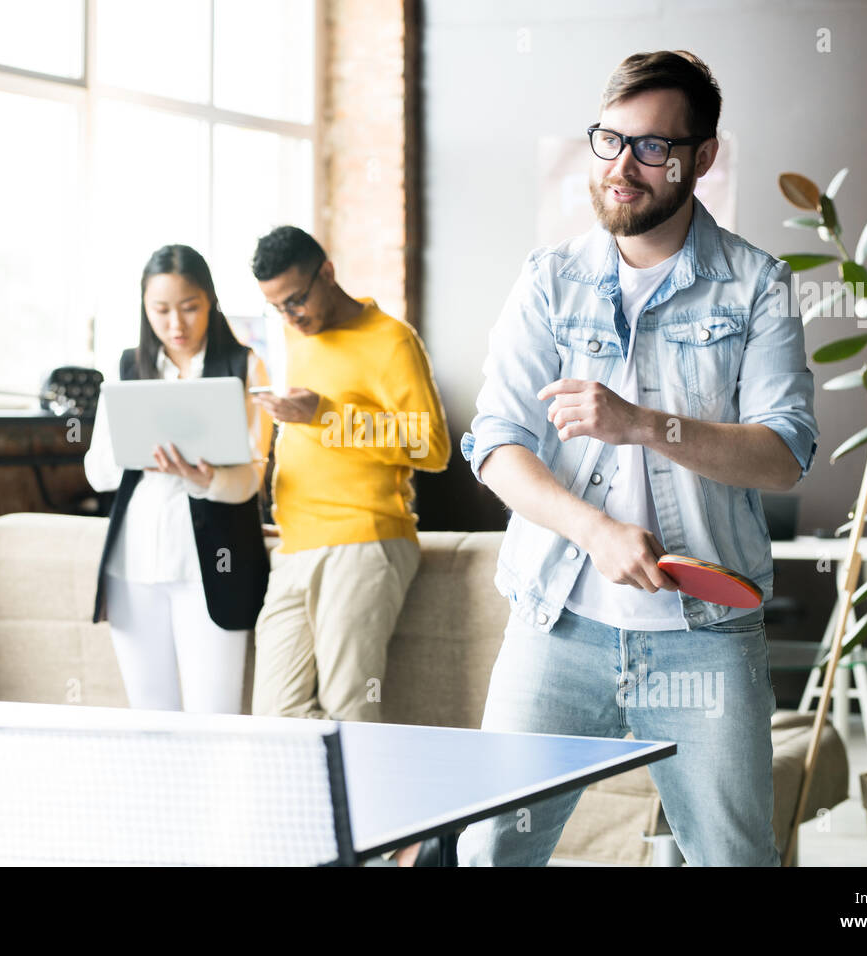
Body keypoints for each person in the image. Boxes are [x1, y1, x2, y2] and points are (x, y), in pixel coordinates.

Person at [455, 50, 819, 866]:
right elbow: (496, 445)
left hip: (707, 638)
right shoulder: (547, 281)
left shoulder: (758, 286)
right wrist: (594, 532)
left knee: (735, 859)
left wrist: (645, 425)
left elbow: (783, 456)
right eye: (610, 140)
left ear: (702, 158)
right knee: (488, 855)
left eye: (653, 147)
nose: (623, 167)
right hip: (557, 625)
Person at [248, 226, 449, 722]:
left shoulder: (391, 340)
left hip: (364, 539)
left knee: (350, 708)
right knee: (275, 714)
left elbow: (434, 447)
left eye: (295, 300)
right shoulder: (299, 337)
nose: (291, 316)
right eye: (277, 308)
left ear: (328, 273)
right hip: (297, 544)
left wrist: (324, 415)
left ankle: (369, 797)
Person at [84, 245, 272, 713]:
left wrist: (203, 478)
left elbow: (252, 477)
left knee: (216, 715)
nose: (176, 325)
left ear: (210, 300)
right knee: (150, 716)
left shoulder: (244, 366)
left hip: (213, 565)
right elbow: (97, 471)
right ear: (144, 309)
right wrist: (137, 457)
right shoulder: (129, 367)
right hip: (134, 564)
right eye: (161, 311)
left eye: (189, 308)